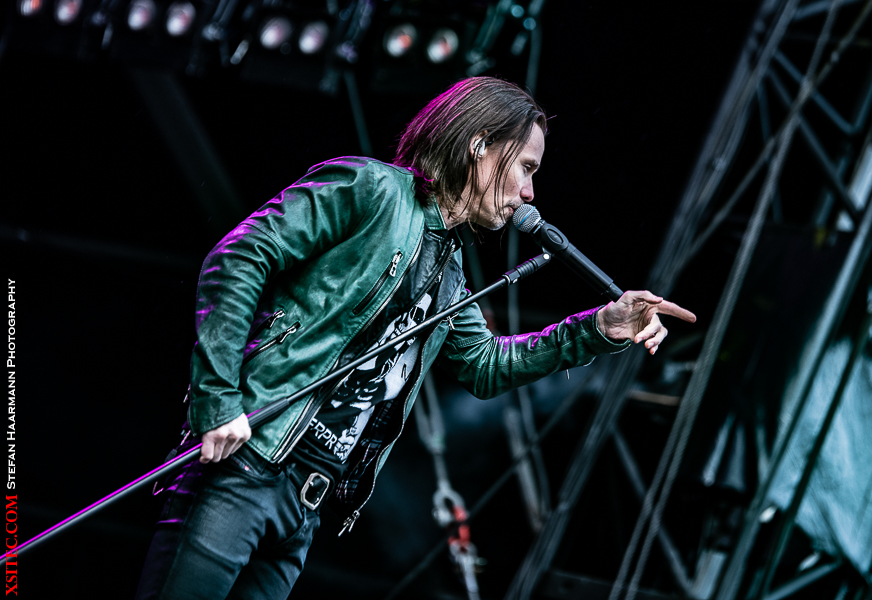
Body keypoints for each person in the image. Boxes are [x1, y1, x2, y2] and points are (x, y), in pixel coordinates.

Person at [134, 76, 696, 599]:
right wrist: (218, 400)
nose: (529, 192)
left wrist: (598, 329)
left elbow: (486, 366)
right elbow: (240, 256)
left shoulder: (450, 273)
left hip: (304, 507)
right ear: (479, 145)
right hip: (248, 462)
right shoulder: (372, 188)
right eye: (525, 167)